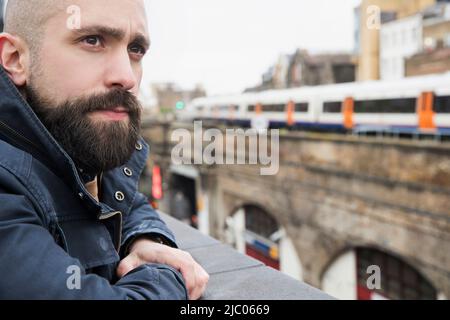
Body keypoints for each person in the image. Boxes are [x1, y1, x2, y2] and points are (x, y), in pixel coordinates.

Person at [0, 0, 209, 299]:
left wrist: (146, 241)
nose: (126, 77)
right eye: (93, 40)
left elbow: (125, 199)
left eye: (135, 49)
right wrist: (166, 273)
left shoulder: (70, 147)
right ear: (16, 57)